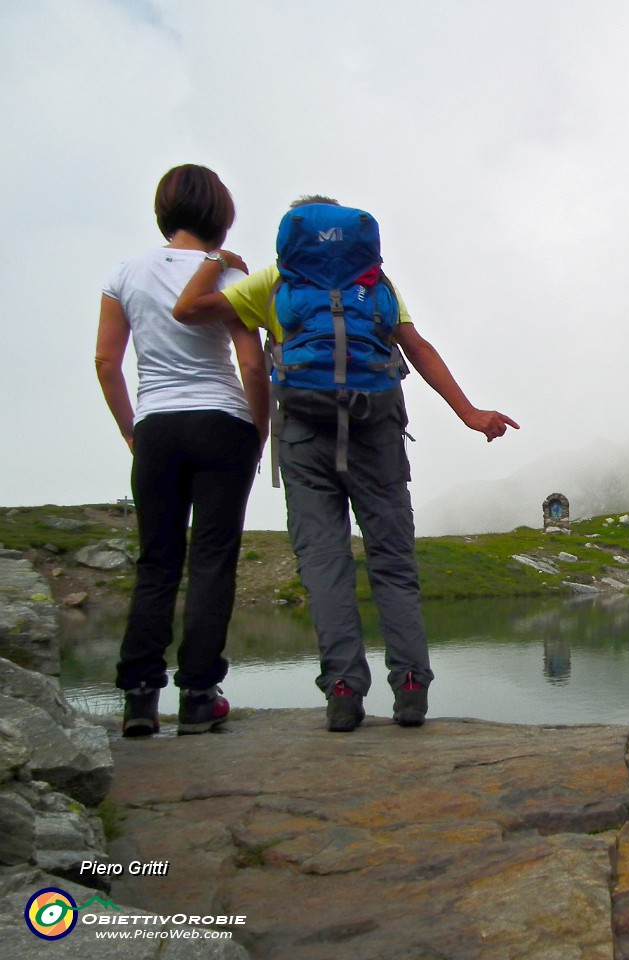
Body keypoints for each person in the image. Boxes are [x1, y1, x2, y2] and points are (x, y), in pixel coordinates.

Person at [173, 195, 518, 733]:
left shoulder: (274, 281)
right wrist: (469, 413)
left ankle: (342, 692)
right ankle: (410, 688)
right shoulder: (373, 282)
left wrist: (217, 262)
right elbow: (417, 347)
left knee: (325, 566)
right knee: (393, 565)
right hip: (377, 436)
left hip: (306, 440)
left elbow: (186, 311)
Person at [95, 164, 269, 737]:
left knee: (157, 560)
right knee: (213, 558)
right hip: (223, 421)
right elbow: (249, 362)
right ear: (221, 215)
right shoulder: (227, 275)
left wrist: (131, 428)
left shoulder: (125, 272)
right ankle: (199, 696)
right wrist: (258, 427)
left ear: (164, 210)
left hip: (157, 426)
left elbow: (106, 362)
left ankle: (140, 699)